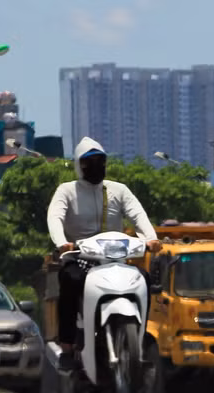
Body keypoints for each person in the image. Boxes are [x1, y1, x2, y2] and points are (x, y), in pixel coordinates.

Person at [47, 136, 162, 371]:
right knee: (69, 279)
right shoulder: (67, 191)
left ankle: (141, 332)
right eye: (90, 162)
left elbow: (138, 216)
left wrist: (151, 239)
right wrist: (62, 243)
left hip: (116, 259)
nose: (96, 166)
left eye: (100, 161)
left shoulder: (119, 190)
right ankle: (68, 344)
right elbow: (55, 217)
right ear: (79, 165)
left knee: (145, 278)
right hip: (80, 258)